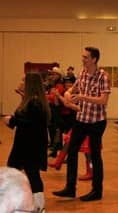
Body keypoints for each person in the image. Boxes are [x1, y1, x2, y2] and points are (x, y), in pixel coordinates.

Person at [53, 47, 111, 202]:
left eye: (86, 57)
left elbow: (103, 100)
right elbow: (73, 88)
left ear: (94, 59)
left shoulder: (103, 76)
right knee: (71, 152)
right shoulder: (83, 73)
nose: (83, 59)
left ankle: (96, 191)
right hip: (81, 119)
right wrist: (67, 93)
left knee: (95, 155)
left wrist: (82, 97)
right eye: (83, 57)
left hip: (96, 121)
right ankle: (70, 188)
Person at [3, 72, 51, 212]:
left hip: (29, 146)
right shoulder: (33, 100)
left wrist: (11, 120)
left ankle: (38, 205)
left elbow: (28, 123)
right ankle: (15, 200)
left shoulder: (34, 102)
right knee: (17, 172)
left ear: (30, 84)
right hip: (26, 145)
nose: (21, 81)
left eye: (24, 80)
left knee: (29, 174)